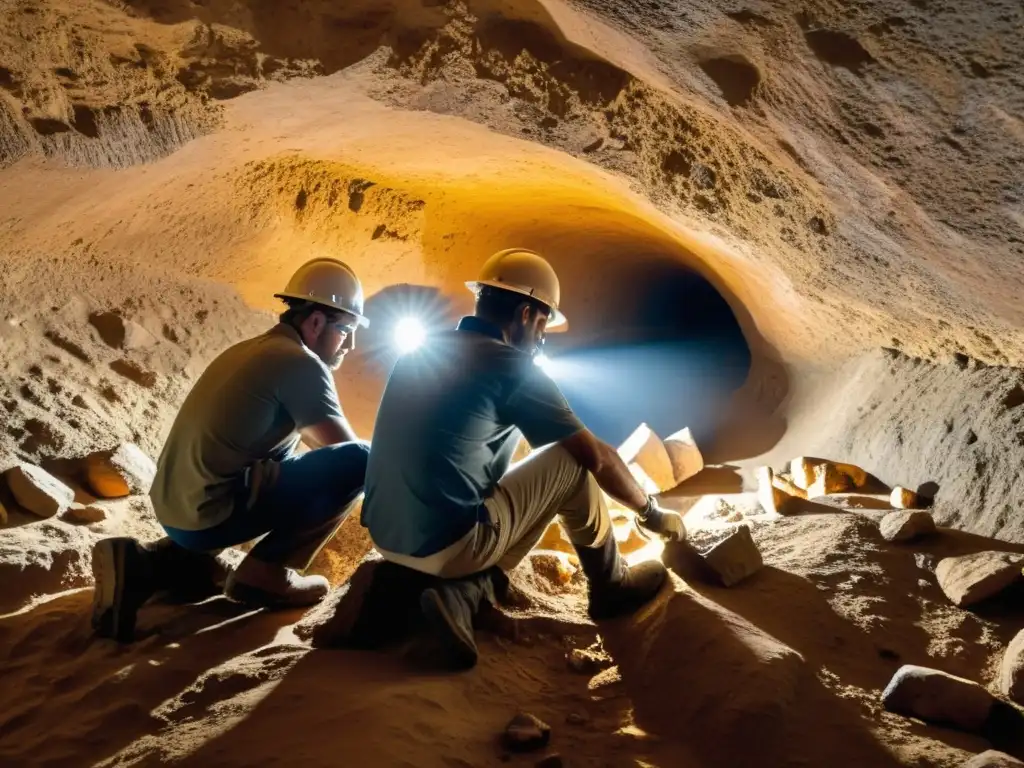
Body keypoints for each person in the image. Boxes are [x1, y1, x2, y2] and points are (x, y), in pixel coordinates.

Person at [361, 248, 686, 668]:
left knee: (533, 469)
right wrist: (650, 512)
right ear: (528, 315)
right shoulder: (510, 365)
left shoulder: (420, 350)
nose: (544, 336)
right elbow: (596, 458)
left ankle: (465, 595)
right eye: (545, 323)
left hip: (387, 538)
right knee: (572, 462)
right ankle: (611, 587)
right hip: (446, 546)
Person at [91, 258, 371, 643]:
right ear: (317, 322)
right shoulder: (301, 364)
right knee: (362, 460)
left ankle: (146, 562)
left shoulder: (250, 350)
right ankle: (268, 573)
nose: (351, 344)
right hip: (210, 518)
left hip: (177, 513)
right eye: (347, 329)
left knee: (277, 461)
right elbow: (344, 451)